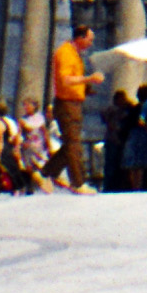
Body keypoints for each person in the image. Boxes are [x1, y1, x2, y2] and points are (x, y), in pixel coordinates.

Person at [50, 21, 104, 194]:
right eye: (89, 39)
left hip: (73, 103)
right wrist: (89, 79)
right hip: (67, 104)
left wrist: (86, 88)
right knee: (74, 144)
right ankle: (78, 183)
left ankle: (46, 172)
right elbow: (65, 79)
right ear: (80, 38)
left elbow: (72, 80)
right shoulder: (65, 53)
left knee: (71, 143)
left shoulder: (74, 54)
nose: (91, 43)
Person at [104, 90, 136, 194]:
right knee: (111, 165)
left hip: (119, 141)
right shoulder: (113, 110)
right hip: (113, 140)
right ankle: (109, 186)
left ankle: (115, 185)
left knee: (117, 165)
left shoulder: (124, 110)